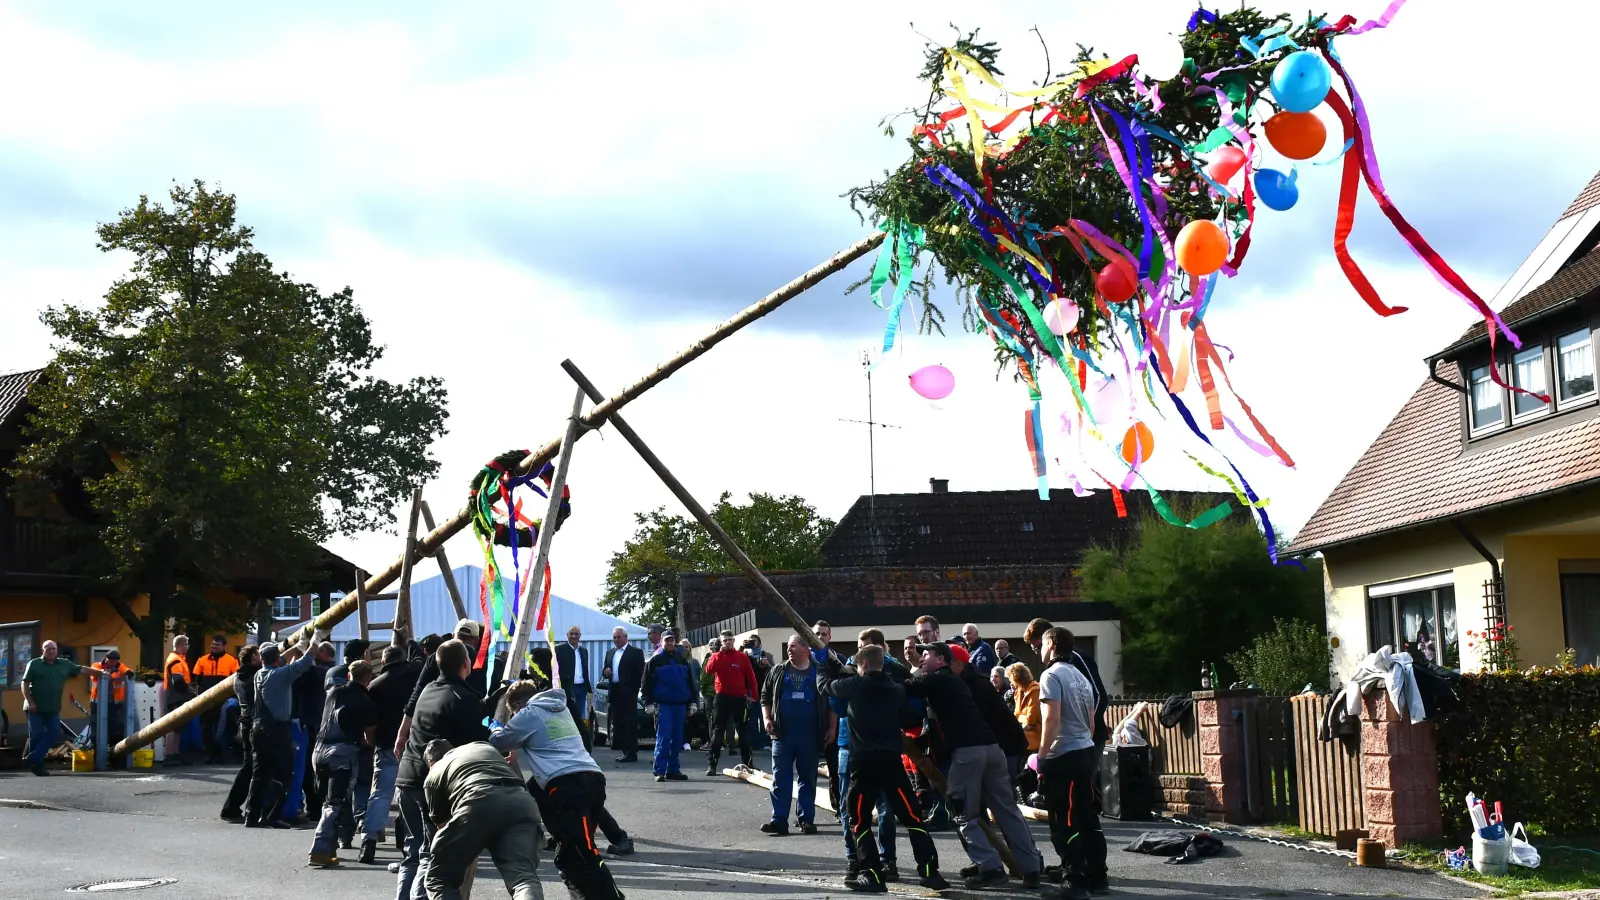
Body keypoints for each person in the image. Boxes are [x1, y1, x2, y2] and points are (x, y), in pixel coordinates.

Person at [909, 642, 1044, 890]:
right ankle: (1031, 867)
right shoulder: (966, 682)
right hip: (993, 749)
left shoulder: (940, 679)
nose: (921, 658)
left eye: (926, 654)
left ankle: (990, 867)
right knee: (1007, 810)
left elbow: (906, 687)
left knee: (962, 811)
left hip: (969, 752)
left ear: (943, 660)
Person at [818, 645, 950, 893]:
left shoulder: (855, 686)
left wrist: (823, 662)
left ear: (864, 665)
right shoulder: (896, 689)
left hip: (864, 763)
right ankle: (930, 872)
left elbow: (824, 685)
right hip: (891, 761)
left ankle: (871, 874)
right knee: (912, 817)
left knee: (859, 819)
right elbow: (906, 708)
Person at [491, 680, 627, 900]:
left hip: (567, 787)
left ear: (517, 705)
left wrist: (496, 724)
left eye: (513, 711)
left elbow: (498, 742)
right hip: (592, 779)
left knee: (582, 855)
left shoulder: (528, 714)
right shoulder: (559, 709)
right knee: (569, 858)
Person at [396, 639, 493, 900]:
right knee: (433, 853)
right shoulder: (462, 698)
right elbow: (479, 737)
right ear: (466, 664)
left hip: (406, 778)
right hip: (434, 784)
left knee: (413, 850)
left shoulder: (428, 689)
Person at [421, 739, 546, 900]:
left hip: (477, 801)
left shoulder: (434, 772)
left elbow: (443, 827)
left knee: (439, 879)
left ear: (431, 762)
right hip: (521, 803)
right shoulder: (482, 746)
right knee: (523, 878)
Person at [1037, 626, 1105, 898]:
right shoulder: (1081, 677)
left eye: (1041, 644)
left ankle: (1074, 881)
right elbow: (1090, 724)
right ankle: (1097, 876)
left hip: (1063, 755)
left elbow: (1051, 721)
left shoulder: (1051, 675)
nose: (1039, 650)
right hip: (1085, 753)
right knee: (1087, 815)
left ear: (1052, 645)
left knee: (1062, 819)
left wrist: (1042, 757)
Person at [247, 629, 327, 828]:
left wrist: (300, 643)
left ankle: (252, 814)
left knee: (259, 774)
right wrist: (316, 639)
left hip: (257, 728)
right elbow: (306, 661)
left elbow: (285, 660)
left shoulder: (260, 674)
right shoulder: (281, 675)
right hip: (276, 730)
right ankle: (273, 816)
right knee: (283, 773)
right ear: (276, 661)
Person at [759, 634, 834, 835]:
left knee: (807, 778)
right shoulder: (778, 671)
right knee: (780, 777)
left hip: (809, 735)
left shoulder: (819, 671)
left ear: (805, 648)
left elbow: (831, 702)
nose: (789, 650)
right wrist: (767, 719)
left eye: (793, 646)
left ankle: (806, 820)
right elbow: (765, 696)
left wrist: (831, 728)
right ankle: (779, 820)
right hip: (782, 734)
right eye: (788, 647)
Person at [309, 660, 378, 867]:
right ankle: (320, 849)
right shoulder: (365, 702)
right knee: (335, 803)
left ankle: (330, 850)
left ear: (349, 675)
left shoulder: (333, 692)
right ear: (368, 679)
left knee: (328, 802)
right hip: (341, 754)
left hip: (318, 751)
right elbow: (370, 737)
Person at [362, 644, 419, 864]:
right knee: (411, 793)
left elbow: (371, 720)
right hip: (413, 744)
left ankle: (369, 840)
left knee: (380, 793)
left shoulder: (375, 686)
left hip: (386, 743)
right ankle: (407, 839)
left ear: (384, 662)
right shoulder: (416, 676)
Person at [20, 640, 100, 776]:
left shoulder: (64, 664)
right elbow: (25, 683)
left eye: (54, 649)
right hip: (35, 708)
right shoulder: (34, 664)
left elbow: (81, 669)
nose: (51, 651)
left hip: (52, 708)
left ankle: (32, 758)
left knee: (54, 731)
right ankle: (37, 765)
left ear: (57, 650)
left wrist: (101, 673)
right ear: (42, 650)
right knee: (36, 736)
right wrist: (30, 701)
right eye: (48, 649)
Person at [1024, 620, 1109, 745]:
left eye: (1038, 647)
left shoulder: (1076, 658)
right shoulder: (1053, 669)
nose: (1038, 652)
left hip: (1085, 739)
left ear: (1049, 641)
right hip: (1068, 740)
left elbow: (1099, 695)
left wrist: (1087, 732)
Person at [285, 640, 336, 823]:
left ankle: (312, 807)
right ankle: (319, 805)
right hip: (324, 724)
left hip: (307, 724)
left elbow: (292, 678)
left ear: (320, 652)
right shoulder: (333, 672)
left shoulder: (313, 673)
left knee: (306, 769)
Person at [642, 630, 696, 782]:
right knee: (664, 738)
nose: (670, 643)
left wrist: (692, 702)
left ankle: (673, 770)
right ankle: (659, 770)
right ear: (662, 642)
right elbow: (646, 684)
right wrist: (648, 703)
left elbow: (690, 683)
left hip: (680, 705)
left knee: (677, 739)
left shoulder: (682, 660)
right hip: (664, 705)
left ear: (675, 642)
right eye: (667, 640)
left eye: (672, 640)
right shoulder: (655, 661)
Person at [703, 630, 757, 775]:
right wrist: (719, 654)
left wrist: (754, 695)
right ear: (721, 642)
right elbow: (708, 671)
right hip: (722, 697)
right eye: (725, 640)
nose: (728, 643)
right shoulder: (716, 656)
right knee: (718, 731)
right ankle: (712, 764)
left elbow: (750, 676)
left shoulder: (741, 656)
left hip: (739, 697)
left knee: (743, 731)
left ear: (734, 640)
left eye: (730, 640)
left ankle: (748, 763)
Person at [220, 645, 262, 822]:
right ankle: (233, 808)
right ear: (253, 658)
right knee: (252, 768)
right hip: (254, 723)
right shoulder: (255, 677)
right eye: (258, 655)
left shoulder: (238, 677)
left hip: (245, 723)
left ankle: (233, 807)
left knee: (250, 766)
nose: (260, 658)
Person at [192, 635, 239, 763]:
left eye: (217, 645)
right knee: (206, 726)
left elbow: (236, 680)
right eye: (213, 644)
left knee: (220, 726)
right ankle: (209, 753)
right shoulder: (202, 660)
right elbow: (197, 681)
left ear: (224, 646)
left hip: (222, 699)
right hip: (206, 699)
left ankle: (220, 753)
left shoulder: (231, 660)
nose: (214, 647)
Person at [601, 626, 645, 764]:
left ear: (626, 637)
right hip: (615, 691)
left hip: (629, 692)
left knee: (630, 723)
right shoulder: (610, 653)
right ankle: (625, 751)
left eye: (618, 637)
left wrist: (634, 688)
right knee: (618, 723)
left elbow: (640, 673)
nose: (616, 639)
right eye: (614, 637)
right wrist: (606, 672)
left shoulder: (635, 652)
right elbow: (605, 670)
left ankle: (632, 752)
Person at [88, 649, 133, 768]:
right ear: (106, 658)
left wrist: (129, 673)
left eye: (115, 661)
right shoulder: (96, 665)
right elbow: (95, 672)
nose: (113, 663)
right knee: (96, 733)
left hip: (114, 704)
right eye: (111, 661)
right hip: (97, 704)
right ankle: (97, 761)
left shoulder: (120, 666)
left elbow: (127, 670)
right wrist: (107, 672)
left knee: (116, 732)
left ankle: (116, 761)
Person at [555, 625, 593, 751]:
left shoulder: (583, 651)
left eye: (576, 634)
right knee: (567, 716)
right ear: (567, 635)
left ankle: (578, 745)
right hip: (567, 688)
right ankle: (567, 744)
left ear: (580, 636)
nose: (574, 636)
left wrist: (588, 688)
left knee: (580, 717)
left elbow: (585, 669)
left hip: (581, 687)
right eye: (571, 634)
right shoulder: (559, 649)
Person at [163, 635, 193, 766]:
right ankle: (170, 755)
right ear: (182, 645)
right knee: (173, 726)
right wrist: (191, 690)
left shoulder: (178, 659)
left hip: (176, 696)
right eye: (187, 645)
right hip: (176, 696)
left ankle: (174, 754)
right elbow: (178, 681)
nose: (188, 647)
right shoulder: (176, 660)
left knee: (178, 727)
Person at [742, 633, 774, 751]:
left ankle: (765, 741)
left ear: (759, 642)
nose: (752, 643)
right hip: (750, 690)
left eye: (754, 641)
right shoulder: (745, 655)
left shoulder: (765, 654)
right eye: (750, 641)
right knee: (752, 717)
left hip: (763, 689)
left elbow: (773, 671)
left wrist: (767, 664)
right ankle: (754, 742)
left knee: (764, 717)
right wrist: (743, 648)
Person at [1011, 664, 1042, 762]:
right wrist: (1022, 722)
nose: (1011, 684)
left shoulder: (1035, 691)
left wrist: (1022, 721)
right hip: (1024, 733)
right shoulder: (1019, 692)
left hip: (1036, 737)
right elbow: (1016, 715)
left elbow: (1031, 719)